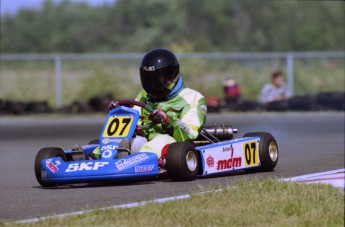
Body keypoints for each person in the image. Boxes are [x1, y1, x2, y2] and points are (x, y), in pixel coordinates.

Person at [92, 48, 207, 161]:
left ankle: (135, 162)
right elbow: (135, 120)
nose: (152, 86)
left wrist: (168, 122)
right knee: (124, 140)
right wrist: (120, 112)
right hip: (144, 140)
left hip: (172, 146)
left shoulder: (194, 98)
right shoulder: (143, 95)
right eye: (148, 80)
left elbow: (190, 132)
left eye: (158, 81)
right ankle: (96, 157)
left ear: (172, 76)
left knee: (161, 140)